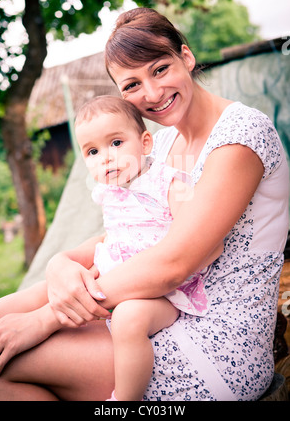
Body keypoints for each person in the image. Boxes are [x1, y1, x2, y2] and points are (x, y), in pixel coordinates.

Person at [0, 7, 288, 401]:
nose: (150, 93)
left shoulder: (239, 137)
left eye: (160, 69)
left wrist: (46, 319)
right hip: (151, 313)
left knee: (4, 358)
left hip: (214, 344)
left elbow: (175, 262)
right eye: (131, 85)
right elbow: (131, 229)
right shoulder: (162, 144)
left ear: (186, 56)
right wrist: (61, 263)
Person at [74, 94, 222, 400]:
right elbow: (117, 236)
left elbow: (199, 240)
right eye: (92, 151)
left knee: (129, 317)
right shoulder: (108, 193)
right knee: (78, 289)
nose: (106, 157)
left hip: (165, 292)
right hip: (121, 279)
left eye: (116, 143)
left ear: (144, 144)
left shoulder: (168, 184)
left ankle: (125, 401)